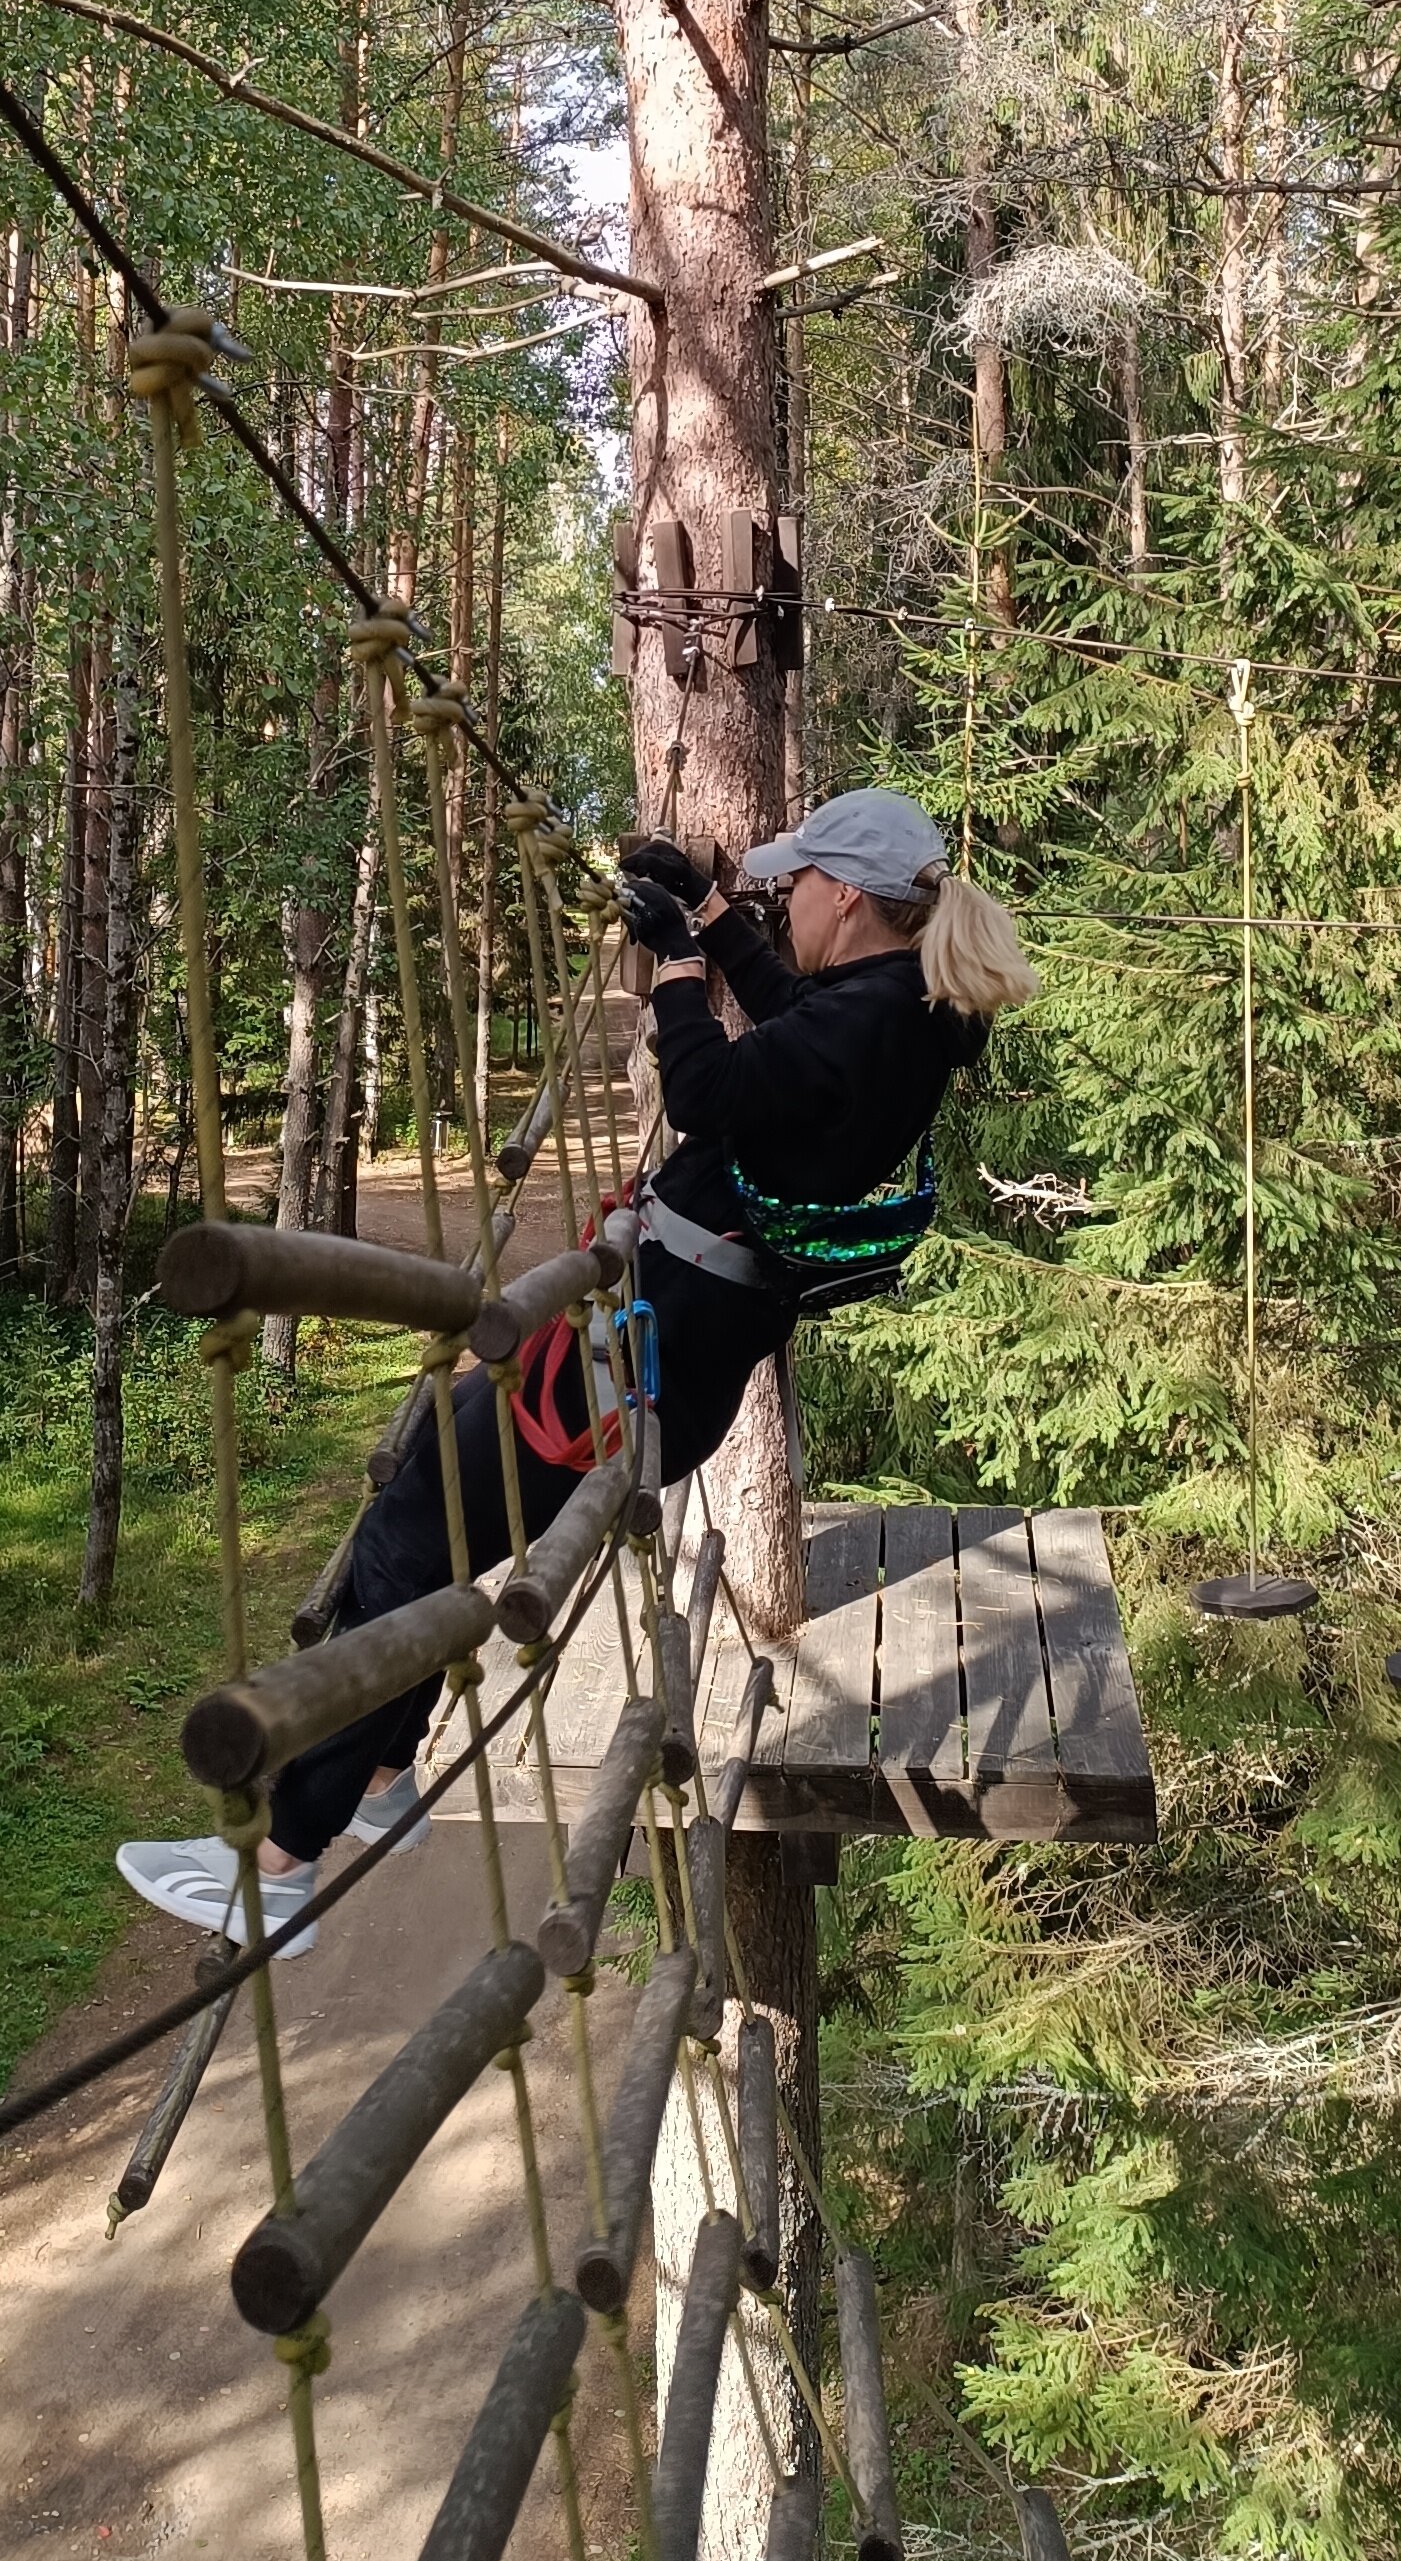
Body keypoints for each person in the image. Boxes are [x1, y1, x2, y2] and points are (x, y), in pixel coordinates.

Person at [116, 787, 1037, 1953]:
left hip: (644, 1357)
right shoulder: (903, 1005)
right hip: (666, 1350)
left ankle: (279, 1870)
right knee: (439, 1513)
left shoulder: (873, 1022)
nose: (784, 900)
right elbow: (798, 1019)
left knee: (416, 1528)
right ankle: (385, 1777)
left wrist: (675, 970)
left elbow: (712, 1090)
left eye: (796, 884)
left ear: (846, 897)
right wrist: (710, 914)